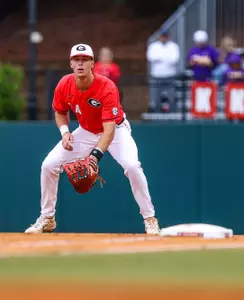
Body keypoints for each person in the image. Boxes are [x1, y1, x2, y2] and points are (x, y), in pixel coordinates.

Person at [25, 43, 160, 235]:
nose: (80, 64)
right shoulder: (64, 84)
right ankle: (47, 218)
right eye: (76, 60)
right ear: (71, 64)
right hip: (86, 131)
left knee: (132, 166)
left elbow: (109, 130)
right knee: (48, 165)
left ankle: (149, 218)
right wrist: (65, 132)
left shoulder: (106, 87)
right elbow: (60, 112)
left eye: (85, 60)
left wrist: (95, 156)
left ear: (92, 64)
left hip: (116, 131)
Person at [146, 29, 180, 112]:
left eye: (165, 36)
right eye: (162, 36)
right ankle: (156, 113)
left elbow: (174, 59)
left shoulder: (173, 46)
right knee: (155, 97)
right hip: (156, 75)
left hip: (170, 75)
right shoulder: (153, 46)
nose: (164, 38)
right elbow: (151, 57)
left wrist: (160, 58)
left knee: (171, 96)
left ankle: (173, 113)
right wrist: (165, 58)